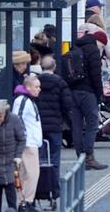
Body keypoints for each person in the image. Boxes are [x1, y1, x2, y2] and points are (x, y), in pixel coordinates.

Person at [67, 26, 108, 170]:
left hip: (73, 92)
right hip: (88, 92)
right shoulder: (93, 50)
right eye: (102, 46)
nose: (102, 49)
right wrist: (99, 94)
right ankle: (89, 156)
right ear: (99, 41)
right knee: (92, 124)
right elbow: (96, 75)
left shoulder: (75, 47)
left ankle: (81, 158)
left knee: (77, 126)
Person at [36, 55, 72, 198]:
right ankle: (54, 189)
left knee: (39, 157)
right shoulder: (60, 83)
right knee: (55, 158)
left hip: (38, 127)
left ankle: (40, 188)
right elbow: (67, 105)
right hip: (55, 126)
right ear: (54, 67)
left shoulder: (35, 82)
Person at [12, 75, 42, 210]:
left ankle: (24, 201)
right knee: (31, 174)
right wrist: (22, 138)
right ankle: (26, 202)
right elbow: (16, 119)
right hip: (28, 143)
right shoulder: (23, 100)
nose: (39, 89)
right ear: (28, 87)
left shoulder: (26, 100)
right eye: (36, 87)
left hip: (30, 142)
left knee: (27, 174)